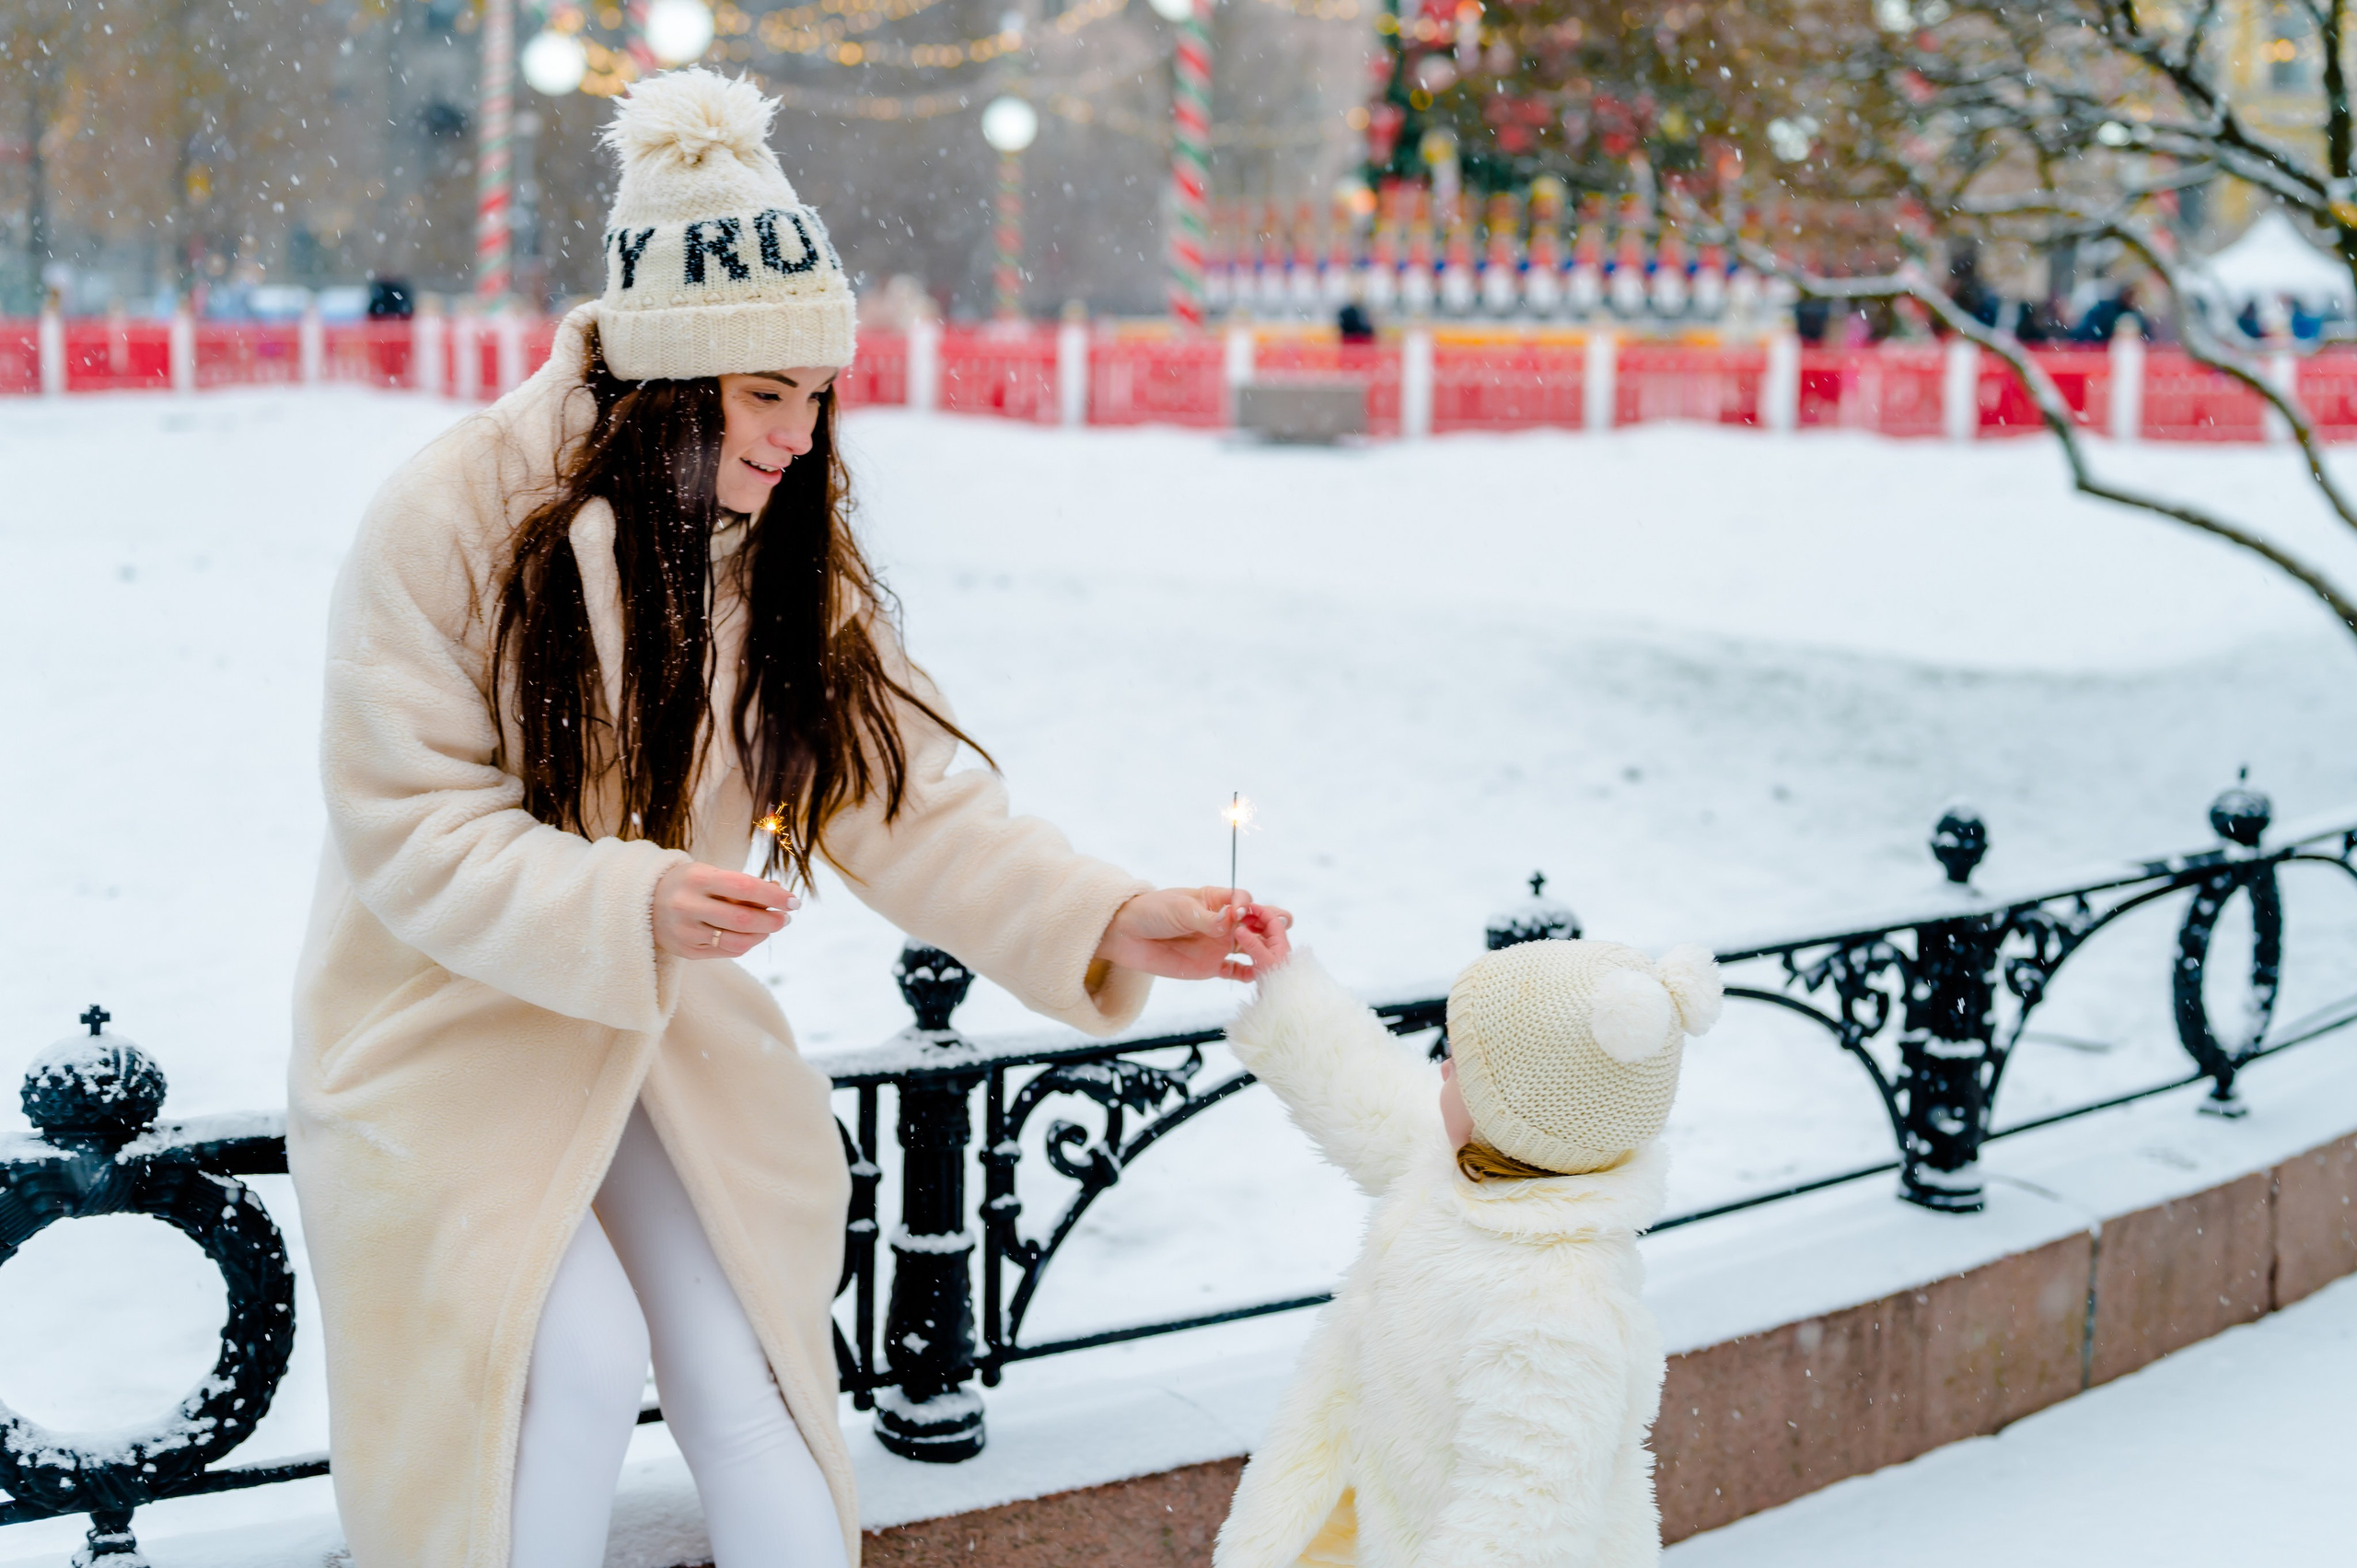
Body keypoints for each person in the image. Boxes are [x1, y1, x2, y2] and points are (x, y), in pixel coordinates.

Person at [288, 68, 1284, 1568]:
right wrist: (625, 905)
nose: (803, 436)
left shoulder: (775, 552)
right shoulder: (452, 517)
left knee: (749, 1348)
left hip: (652, 1033)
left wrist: (1107, 913)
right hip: (445, 1027)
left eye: (820, 393)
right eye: (770, 395)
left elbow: (903, 790)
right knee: (566, 1351)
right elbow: (410, 826)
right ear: (665, 381)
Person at [1211, 921, 1721, 1567]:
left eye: (1465, 1066)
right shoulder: (1467, 1170)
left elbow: (1523, 1525)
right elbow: (1366, 1098)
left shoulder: (1559, 1303)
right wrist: (1285, 982)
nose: (1444, 1066)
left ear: (1512, 1116)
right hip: (1354, 1516)